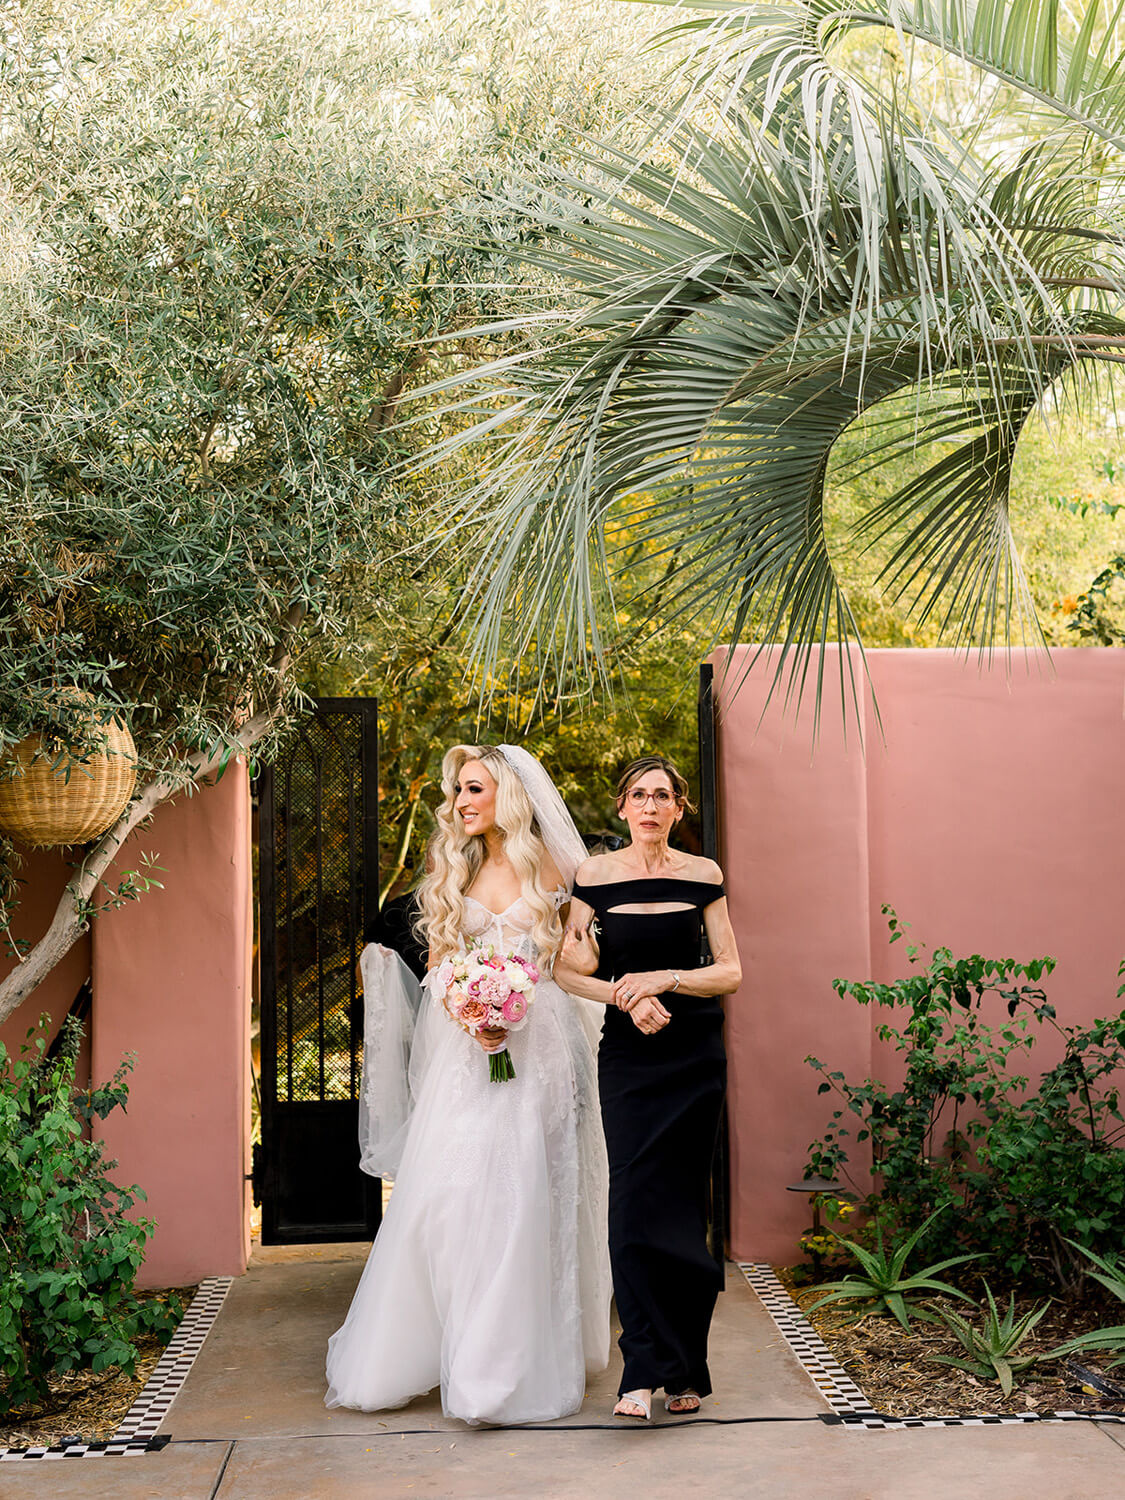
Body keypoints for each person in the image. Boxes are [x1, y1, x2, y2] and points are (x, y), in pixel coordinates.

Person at [325, 744, 610, 1426]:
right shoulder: (455, 864)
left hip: (539, 1049)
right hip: (465, 1050)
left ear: (507, 792)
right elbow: (444, 962)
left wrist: (534, 988)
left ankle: (500, 1368)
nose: (459, 802)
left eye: (473, 788)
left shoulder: (556, 866)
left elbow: (581, 962)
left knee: (524, 1195)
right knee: (449, 1193)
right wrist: (472, 1010)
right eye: (457, 791)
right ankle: (428, 1346)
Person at [556, 754, 742, 1421]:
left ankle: (685, 1368)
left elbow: (729, 971)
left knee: (685, 1214)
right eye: (639, 794)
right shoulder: (593, 877)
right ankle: (640, 1369)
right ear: (621, 807)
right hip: (630, 1058)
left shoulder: (703, 875)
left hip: (694, 1055)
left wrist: (666, 979)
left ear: (678, 808)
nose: (650, 806)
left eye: (662, 796)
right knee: (632, 1205)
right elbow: (566, 969)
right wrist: (624, 996)